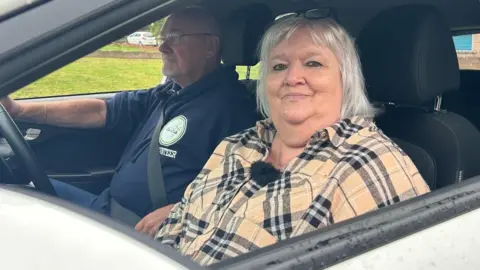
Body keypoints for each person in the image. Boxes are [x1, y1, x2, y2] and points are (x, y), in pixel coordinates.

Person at [154, 14, 431, 266]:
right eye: (278, 66)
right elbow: (176, 226)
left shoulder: (368, 163)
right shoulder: (237, 145)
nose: (292, 77)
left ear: (345, 79)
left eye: (313, 63)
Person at [0, 6, 258, 236]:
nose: (162, 47)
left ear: (210, 47)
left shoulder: (233, 110)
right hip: (106, 209)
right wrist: (19, 110)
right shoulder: (169, 92)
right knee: (17, 192)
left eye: (175, 37)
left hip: (139, 235)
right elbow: (102, 111)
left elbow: (246, 188)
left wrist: (183, 209)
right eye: (163, 37)